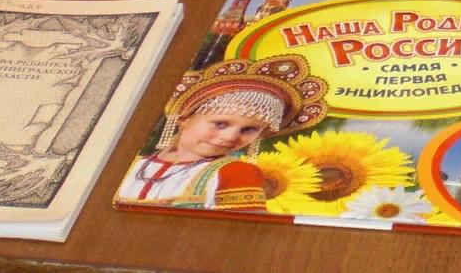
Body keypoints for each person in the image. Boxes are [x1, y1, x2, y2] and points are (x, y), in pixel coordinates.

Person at [114, 54, 327, 211]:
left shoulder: (237, 173)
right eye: (220, 124)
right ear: (184, 119)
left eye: (249, 129)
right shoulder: (132, 163)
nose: (230, 137)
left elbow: (236, 234)